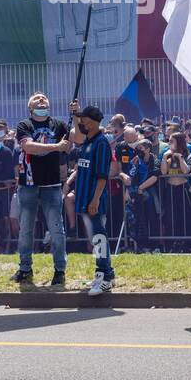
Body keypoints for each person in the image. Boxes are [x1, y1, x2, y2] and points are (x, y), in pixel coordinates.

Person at [12, 93, 70, 286]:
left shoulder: (59, 125)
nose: (41, 100)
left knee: (56, 229)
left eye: (44, 98)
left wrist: (76, 114)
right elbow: (29, 147)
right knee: (26, 229)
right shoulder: (24, 125)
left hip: (52, 184)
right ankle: (25, 268)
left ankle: (60, 270)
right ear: (30, 107)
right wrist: (56, 146)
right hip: (28, 184)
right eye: (36, 99)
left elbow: (75, 138)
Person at [72, 102, 115, 296]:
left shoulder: (101, 143)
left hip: (93, 202)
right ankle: (107, 273)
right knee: (95, 239)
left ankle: (104, 276)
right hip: (84, 201)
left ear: (94, 122)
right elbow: (77, 135)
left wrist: (95, 200)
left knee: (99, 239)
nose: (81, 122)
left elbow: (101, 176)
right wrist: (74, 114)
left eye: (84, 119)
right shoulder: (87, 142)